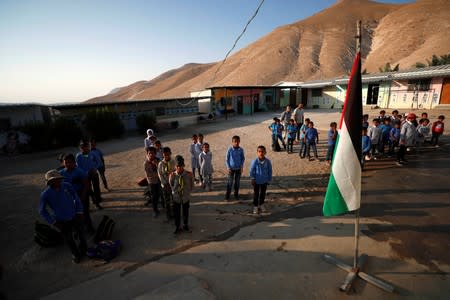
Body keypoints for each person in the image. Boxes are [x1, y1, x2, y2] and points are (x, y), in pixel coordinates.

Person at [39, 169, 87, 264]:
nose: (57, 181)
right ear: (49, 182)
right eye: (54, 180)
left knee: (81, 233)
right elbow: (42, 211)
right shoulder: (45, 194)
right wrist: (53, 222)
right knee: (69, 239)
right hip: (61, 221)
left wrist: (79, 211)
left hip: (75, 215)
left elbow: (76, 198)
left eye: (58, 179)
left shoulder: (67, 186)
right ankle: (75, 254)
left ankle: (84, 249)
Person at [59, 154, 94, 233]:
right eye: (66, 162)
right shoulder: (61, 173)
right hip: (69, 196)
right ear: (63, 163)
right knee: (73, 213)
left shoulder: (80, 172)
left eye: (69, 162)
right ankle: (78, 229)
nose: (67, 164)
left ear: (74, 162)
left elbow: (86, 184)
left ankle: (89, 227)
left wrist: (83, 197)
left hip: (81, 193)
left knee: (85, 212)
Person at [169, 155, 194, 234]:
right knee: (177, 212)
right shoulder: (172, 175)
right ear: (175, 166)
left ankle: (185, 225)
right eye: (178, 166)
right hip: (176, 197)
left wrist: (188, 192)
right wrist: (174, 191)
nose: (179, 168)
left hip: (185, 196)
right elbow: (171, 185)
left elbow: (192, 184)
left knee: (185, 211)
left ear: (184, 166)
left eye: (181, 166)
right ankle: (177, 226)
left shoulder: (189, 174)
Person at [76, 140, 102, 209]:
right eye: (82, 147)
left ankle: (97, 203)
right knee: (89, 190)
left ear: (88, 146)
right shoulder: (78, 156)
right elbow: (78, 167)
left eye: (86, 146)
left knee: (96, 189)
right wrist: (86, 172)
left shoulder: (93, 154)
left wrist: (95, 168)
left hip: (94, 173)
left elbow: (98, 162)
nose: (84, 148)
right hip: (85, 175)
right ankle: (94, 202)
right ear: (80, 148)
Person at [249, 145, 272, 214]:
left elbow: (270, 171)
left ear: (265, 152)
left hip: (264, 181)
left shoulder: (268, 161)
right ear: (257, 152)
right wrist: (252, 179)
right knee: (256, 194)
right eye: (259, 151)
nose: (261, 153)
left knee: (263, 194)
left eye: (262, 151)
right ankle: (255, 206)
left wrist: (269, 179)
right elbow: (251, 170)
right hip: (256, 181)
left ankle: (261, 204)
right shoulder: (255, 161)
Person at [157, 147, 176, 221]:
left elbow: (175, 172)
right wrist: (165, 184)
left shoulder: (173, 162)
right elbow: (160, 174)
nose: (166, 156)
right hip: (165, 185)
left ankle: (175, 213)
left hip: (173, 184)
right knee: (167, 201)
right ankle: (168, 215)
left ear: (170, 153)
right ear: (163, 155)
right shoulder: (161, 164)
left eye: (168, 154)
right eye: (165, 155)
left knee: (174, 200)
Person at [225, 135, 245, 200]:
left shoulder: (241, 150)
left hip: (238, 169)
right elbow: (227, 159)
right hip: (231, 169)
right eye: (235, 142)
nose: (236, 143)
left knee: (237, 183)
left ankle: (236, 194)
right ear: (232, 142)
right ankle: (227, 196)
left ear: (239, 142)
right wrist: (228, 167)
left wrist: (242, 166)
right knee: (230, 183)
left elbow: (242, 158)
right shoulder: (230, 150)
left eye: (238, 141)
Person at [144, 147, 161, 217]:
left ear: (155, 153)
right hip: (151, 182)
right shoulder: (146, 163)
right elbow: (148, 174)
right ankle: (155, 210)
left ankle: (156, 205)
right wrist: (157, 174)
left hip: (159, 181)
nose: (151, 154)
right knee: (154, 196)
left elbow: (161, 170)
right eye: (149, 153)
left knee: (158, 194)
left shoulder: (158, 160)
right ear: (147, 154)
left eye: (153, 153)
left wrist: (157, 165)